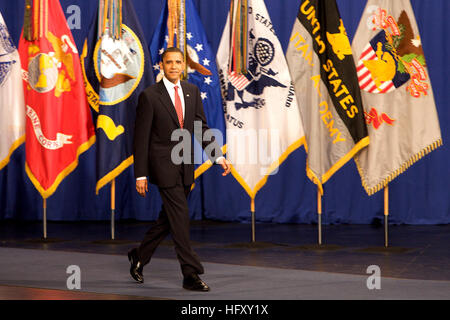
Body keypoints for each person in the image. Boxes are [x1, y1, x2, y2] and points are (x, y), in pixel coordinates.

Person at [129, 47, 231, 291]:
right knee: (181, 218)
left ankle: (139, 255)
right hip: (162, 165)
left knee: (169, 218)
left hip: (186, 164)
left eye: (178, 62)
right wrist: (140, 174)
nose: (174, 66)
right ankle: (190, 274)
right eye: (169, 62)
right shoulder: (150, 96)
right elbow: (140, 139)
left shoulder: (192, 91)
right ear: (162, 65)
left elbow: (200, 128)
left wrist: (217, 157)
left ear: (184, 66)